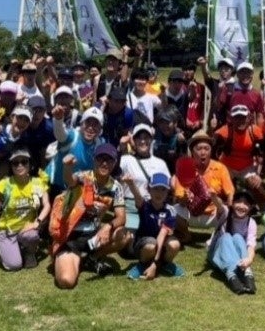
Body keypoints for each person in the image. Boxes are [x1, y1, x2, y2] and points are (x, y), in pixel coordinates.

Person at [52, 145, 131, 289]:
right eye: (101, 159)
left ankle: (90, 258)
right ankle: (74, 259)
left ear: (115, 163)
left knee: (124, 235)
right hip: (71, 237)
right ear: (94, 160)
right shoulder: (83, 177)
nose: (105, 163)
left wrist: (108, 226)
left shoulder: (116, 187)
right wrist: (67, 167)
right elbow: (70, 180)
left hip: (93, 237)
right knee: (66, 281)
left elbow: (121, 217)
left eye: (109, 160)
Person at [0, 148, 50, 271]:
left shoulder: (38, 183)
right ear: (11, 166)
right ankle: (1, 248)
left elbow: (47, 205)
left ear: (30, 165)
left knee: (32, 236)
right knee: (14, 265)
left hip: (26, 228)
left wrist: (37, 222)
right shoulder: (5, 184)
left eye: (24, 162)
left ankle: (28, 252)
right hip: (7, 231)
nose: (20, 165)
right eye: (15, 163)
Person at [172, 131, 235, 242]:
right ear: (192, 151)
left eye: (206, 149)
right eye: (199, 149)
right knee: (173, 211)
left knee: (228, 211)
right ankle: (186, 235)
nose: (203, 152)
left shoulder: (220, 168)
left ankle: (218, 237)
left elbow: (230, 192)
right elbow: (180, 199)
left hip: (213, 214)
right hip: (191, 212)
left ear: (211, 151)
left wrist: (229, 203)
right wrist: (185, 197)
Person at [122, 172, 184, 279]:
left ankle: (165, 264)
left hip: (160, 242)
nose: (159, 193)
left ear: (168, 191)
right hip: (143, 244)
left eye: (163, 189)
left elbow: (162, 235)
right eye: (155, 188)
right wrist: (131, 184)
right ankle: (142, 265)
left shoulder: (171, 211)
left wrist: (155, 263)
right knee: (151, 245)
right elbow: (137, 197)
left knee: (175, 244)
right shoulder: (145, 205)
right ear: (149, 189)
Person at [117, 124, 171, 233]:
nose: (142, 141)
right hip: (131, 207)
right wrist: (120, 148)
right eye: (139, 138)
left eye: (146, 138)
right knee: (130, 238)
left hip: (153, 206)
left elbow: (167, 187)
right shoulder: (126, 159)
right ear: (134, 141)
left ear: (151, 140)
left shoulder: (160, 163)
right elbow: (114, 172)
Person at [206, 190, 258, 295]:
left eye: (246, 203)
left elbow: (251, 245)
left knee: (238, 237)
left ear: (251, 207)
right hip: (218, 254)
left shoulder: (251, 222)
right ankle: (231, 274)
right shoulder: (226, 214)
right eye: (238, 201)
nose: (242, 206)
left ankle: (247, 271)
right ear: (232, 203)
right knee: (226, 236)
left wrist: (249, 260)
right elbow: (220, 206)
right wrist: (214, 197)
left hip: (240, 260)